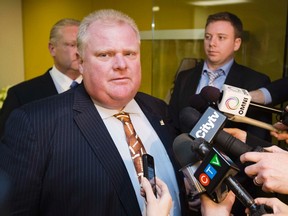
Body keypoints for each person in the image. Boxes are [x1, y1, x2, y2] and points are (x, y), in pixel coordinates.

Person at [0, 9, 188, 216]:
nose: (121, 65)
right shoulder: (36, 124)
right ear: (81, 63)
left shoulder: (158, 109)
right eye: (104, 55)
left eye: (129, 53)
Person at [169, 11, 271, 141]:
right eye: (208, 37)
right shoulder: (184, 77)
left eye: (221, 37)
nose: (212, 43)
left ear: (236, 43)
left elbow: (259, 139)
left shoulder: (256, 82)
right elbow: (172, 124)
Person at [0, 18, 82, 137]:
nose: (78, 52)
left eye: (82, 46)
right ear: (52, 48)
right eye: (72, 45)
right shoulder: (21, 95)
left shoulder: (99, 90)